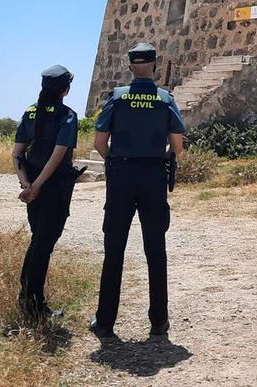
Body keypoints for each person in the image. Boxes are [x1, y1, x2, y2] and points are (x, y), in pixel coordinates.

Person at [89, 42, 186, 339]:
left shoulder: (117, 98)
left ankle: (105, 322)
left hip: (121, 175)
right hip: (154, 176)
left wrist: (115, 162)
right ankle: (158, 321)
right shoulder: (165, 99)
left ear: (130, 66)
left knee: (114, 250)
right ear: (155, 66)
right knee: (155, 250)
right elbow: (178, 145)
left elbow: (99, 143)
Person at [12, 65, 80, 319]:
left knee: (38, 241)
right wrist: (37, 186)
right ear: (66, 89)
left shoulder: (30, 112)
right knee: (43, 245)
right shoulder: (67, 116)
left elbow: (17, 153)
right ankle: (33, 304)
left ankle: (29, 297)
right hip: (53, 188)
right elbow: (57, 156)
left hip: (33, 189)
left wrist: (27, 185)